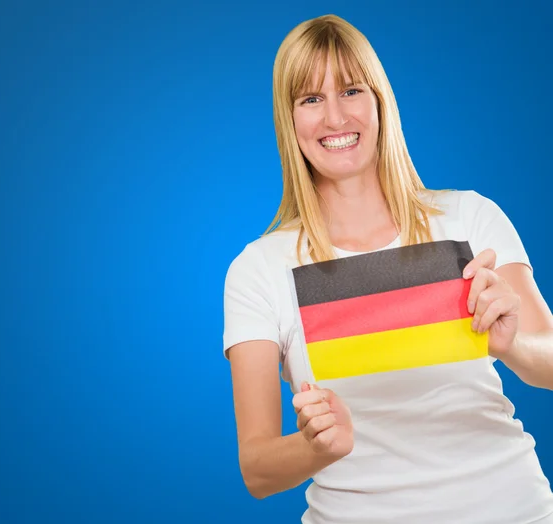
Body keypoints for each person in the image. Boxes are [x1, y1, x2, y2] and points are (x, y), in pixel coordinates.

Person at [222, 13, 553, 524]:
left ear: (380, 101)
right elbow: (258, 469)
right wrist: (318, 448)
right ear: (289, 121)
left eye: (351, 91)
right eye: (311, 99)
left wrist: (513, 345)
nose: (335, 118)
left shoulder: (469, 217)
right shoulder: (259, 270)